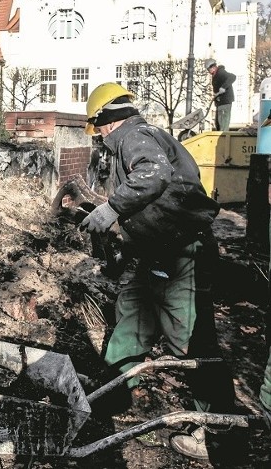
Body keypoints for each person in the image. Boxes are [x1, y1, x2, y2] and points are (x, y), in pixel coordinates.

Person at [81, 82, 237, 461]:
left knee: (190, 339)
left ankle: (218, 429)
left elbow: (153, 174)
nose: (98, 136)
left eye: (97, 127)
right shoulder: (138, 137)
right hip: (158, 252)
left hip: (182, 252)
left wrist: (112, 208)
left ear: (105, 120)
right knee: (131, 315)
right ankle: (112, 391)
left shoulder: (135, 135)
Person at [206, 59, 236, 132]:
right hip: (220, 103)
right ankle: (221, 136)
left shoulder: (221, 73)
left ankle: (223, 138)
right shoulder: (215, 75)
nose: (208, 72)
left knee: (223, 122)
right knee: (218, 122)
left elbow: (232, 77)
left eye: (208, 70)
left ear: (212, 67)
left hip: (225, 102)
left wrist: (223, 87)